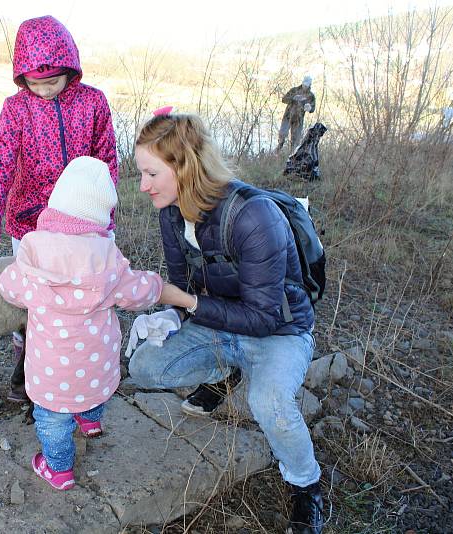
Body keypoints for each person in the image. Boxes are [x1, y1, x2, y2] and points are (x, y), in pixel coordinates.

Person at [128, 111, 324, 533]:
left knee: (269, 404)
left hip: (280, 332)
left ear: (185, 167)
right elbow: (183, 286)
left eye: (150, 173)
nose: (143, 186)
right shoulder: (171, 212)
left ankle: (307, 486)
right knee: (145, 365)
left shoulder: (254, 217)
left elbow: (263, 315)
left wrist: (185, 302)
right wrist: (168, 315)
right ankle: (225, 372)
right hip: (220, 323)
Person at [0, 15, 117, 402]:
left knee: (83, 296)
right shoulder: (16, 110)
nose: (44, 91)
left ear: (70, 71)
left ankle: (87, 367)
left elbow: (107, 163)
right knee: (33, 302)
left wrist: (105, 222)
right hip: (29, 226)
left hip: (84, 225)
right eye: (35, 83)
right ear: (20, 77)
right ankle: (27, 372)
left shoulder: (93, 102)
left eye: (53, 82)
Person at [0, 156, 166, 490]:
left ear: (56, 205)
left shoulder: (34, 251)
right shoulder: (108, 255)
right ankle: (90, 422)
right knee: (93, 393)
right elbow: (137, 292)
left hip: (51, 374)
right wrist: (158, 286)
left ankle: (58, 469)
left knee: (52, 422)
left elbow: (9, 287)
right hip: (96, 366)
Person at [277, 76, 316, 151]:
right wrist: (293, 98)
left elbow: (313, 109)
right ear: (302, 83)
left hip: (298, 120)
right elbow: (284, 99)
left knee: (295, 142)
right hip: (288, 117)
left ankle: (292, 157)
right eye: (304, 84)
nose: (305, 86)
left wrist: (309, 108)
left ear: (310, 85)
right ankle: (277, 152)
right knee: (282, 135)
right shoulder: (294, 90)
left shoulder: (311, 96)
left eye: (307, 85)